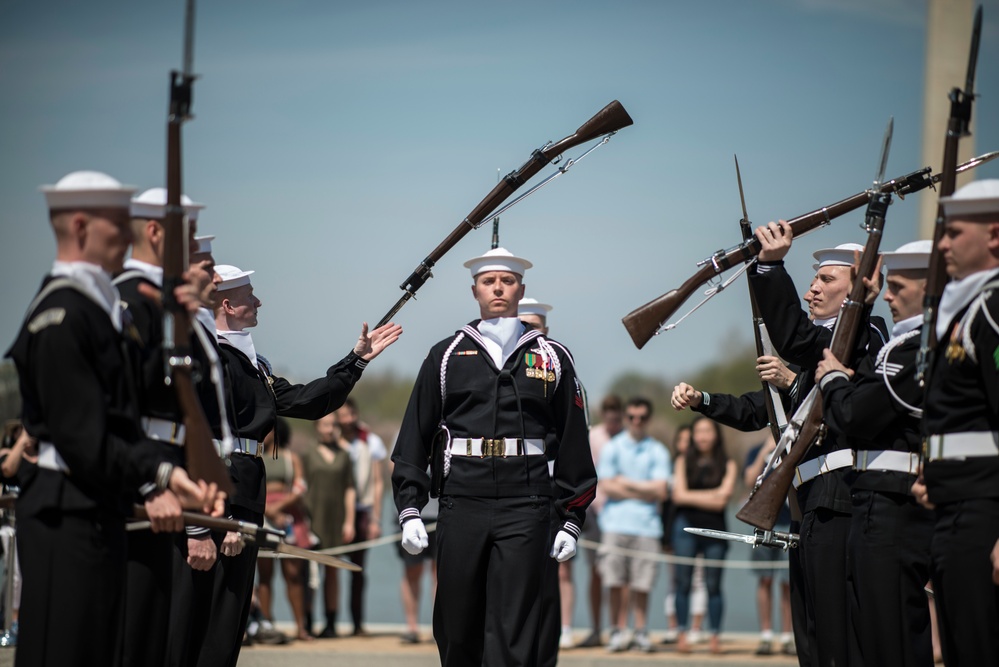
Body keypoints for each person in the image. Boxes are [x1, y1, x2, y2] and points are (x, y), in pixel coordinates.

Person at [4, 171, 222, 667]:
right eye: (117, 225)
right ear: (80, 227)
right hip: (66, 511)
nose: (130, 236)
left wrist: (176, 476)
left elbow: (125, 418)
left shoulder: (97, 308)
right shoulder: (61, 313)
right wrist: (161, 476)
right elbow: (85, 437)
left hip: (97, 505)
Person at [391, 246, 597, 667]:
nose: (498, 288)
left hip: (528, 505)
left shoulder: (552, 357)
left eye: (507, 281)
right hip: (461, 500)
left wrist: (573, 517)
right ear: (474, 291)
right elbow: (415, 433)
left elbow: (575, 441)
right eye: (489, 282)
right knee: (456, 625)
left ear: (521, 289)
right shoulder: (445, 355)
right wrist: (410, 508)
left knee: (514, 627)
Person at [195, 264, 401, 667]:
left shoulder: (251, 363)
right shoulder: (211, 358)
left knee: (229, 621)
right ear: (226, 304)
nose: (258, 301)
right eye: (249, 294)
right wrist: (222, 515)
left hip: (246, 491)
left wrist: (355, 361)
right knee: (211, 618)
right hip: (225, 496)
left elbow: (307, 401)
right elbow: (204, 442)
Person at [749, 226, 887, 667]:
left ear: (861, 284)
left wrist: (770, 267)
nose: (813, 288)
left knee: (838, 638)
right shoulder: (827, 346)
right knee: (814, 637)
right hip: (812, 499)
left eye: (828, 279)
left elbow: (799, 342)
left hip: (841, 497)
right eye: (815, 279)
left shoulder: (869, 332)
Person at [815, 239, 935, 666]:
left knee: (891, 639)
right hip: (878, 499)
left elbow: (852, 415)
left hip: (893, 505)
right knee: (872, 635)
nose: (887, 295)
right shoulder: (902, 347)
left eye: (898, 287)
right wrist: (860, 308)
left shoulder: (915, 349)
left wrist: (832, 381)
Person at [114, 185, 220, 667]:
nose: (196, 245)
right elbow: (115, 408)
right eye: (189, 233)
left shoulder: (171, 308)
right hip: (142, 486)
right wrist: (148, 483)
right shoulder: (130, 302)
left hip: (175, 479)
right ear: (155, 232)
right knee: (131, 636)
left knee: (158, 637)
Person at [911, 180, 999, 666]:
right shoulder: (968, 308)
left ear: (994, 235)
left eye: (954, 232)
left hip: (985, 511)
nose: (942, 243)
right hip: (955, 504)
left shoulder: (992, 306)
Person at [597, 397, 670, 653]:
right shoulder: (613, 447)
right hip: (614, 524)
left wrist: (626, 484)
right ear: (626, 418)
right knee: (614, 582)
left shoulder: (658, 450)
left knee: (643, 584)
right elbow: (606, 486)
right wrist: (644, 489)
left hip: (647, 526)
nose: (636, 422)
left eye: (641, 417)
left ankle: (640, 631)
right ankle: (617, 630)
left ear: (648, 419)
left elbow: (661, 490)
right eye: (632, 417)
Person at [669, 415, 737, 655]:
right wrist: (713, 495)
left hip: (716, 530)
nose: (703, 436)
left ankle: (715, 635)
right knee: (683, 583)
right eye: (698, 431)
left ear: (716, 434)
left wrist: (695, 497)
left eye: (707, 431)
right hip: (685, 528)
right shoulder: (682, 461)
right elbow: (678, 496)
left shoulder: (728, 463)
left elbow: (723, 502)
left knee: (714, 585)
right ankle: (682, 634)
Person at [257, 417, 313, 642]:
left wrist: (278, 508)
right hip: (261, 515)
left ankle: (300, 627)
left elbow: (300, 488)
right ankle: (267, 623)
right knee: (265, 575)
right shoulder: (256, 455)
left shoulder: (292, 458)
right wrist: (268, 511)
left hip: (288, 516)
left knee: (293, 574)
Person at [334, 398, 386, 636]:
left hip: (362, 509)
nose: (346, 420)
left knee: (358, 569)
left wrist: (376, 518)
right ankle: (329, 621)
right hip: (335, 510)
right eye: (342, 415)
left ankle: (357, 623)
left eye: (350, 414)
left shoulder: (370, 441)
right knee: (330, 566)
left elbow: (378, 483)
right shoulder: (331, 439)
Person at [302, 412, 357, 638]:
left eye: (332, 425)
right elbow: (300, 488)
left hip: (336, 520)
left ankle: (331, 622)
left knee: (333, 572)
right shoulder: (307, 456)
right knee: (310, 573)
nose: (329, 429)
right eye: (325, 424)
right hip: (312, 519)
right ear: (317, 426)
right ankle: (307, 621)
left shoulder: (344, 456)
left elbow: (350, 489)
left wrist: (350, 522)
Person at [576, 394, 624, 648]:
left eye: (617, 417)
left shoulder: (627, 438)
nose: (613, 421)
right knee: (595, 572)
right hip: (595, 512)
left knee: (619, 575)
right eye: (609, 416)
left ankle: (620, 629)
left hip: (620, 514)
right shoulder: (593, 436)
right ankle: (596, 629)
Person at [742, 435, 794, 656]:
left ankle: (787, 636)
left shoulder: (795, 448)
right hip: (763, 520)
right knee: (765, 579)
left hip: (790, 521)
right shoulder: (757, 450)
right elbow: (748, 481)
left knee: (787, 582)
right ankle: (765, 634)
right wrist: (767, 450)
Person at [388, 431, 439, 645]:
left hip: (442, 514)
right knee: (412, 572)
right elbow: (394, 471)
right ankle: (411, 626)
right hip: (412, 514)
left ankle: (440, 627)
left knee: (440, 574)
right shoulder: (403, 433)